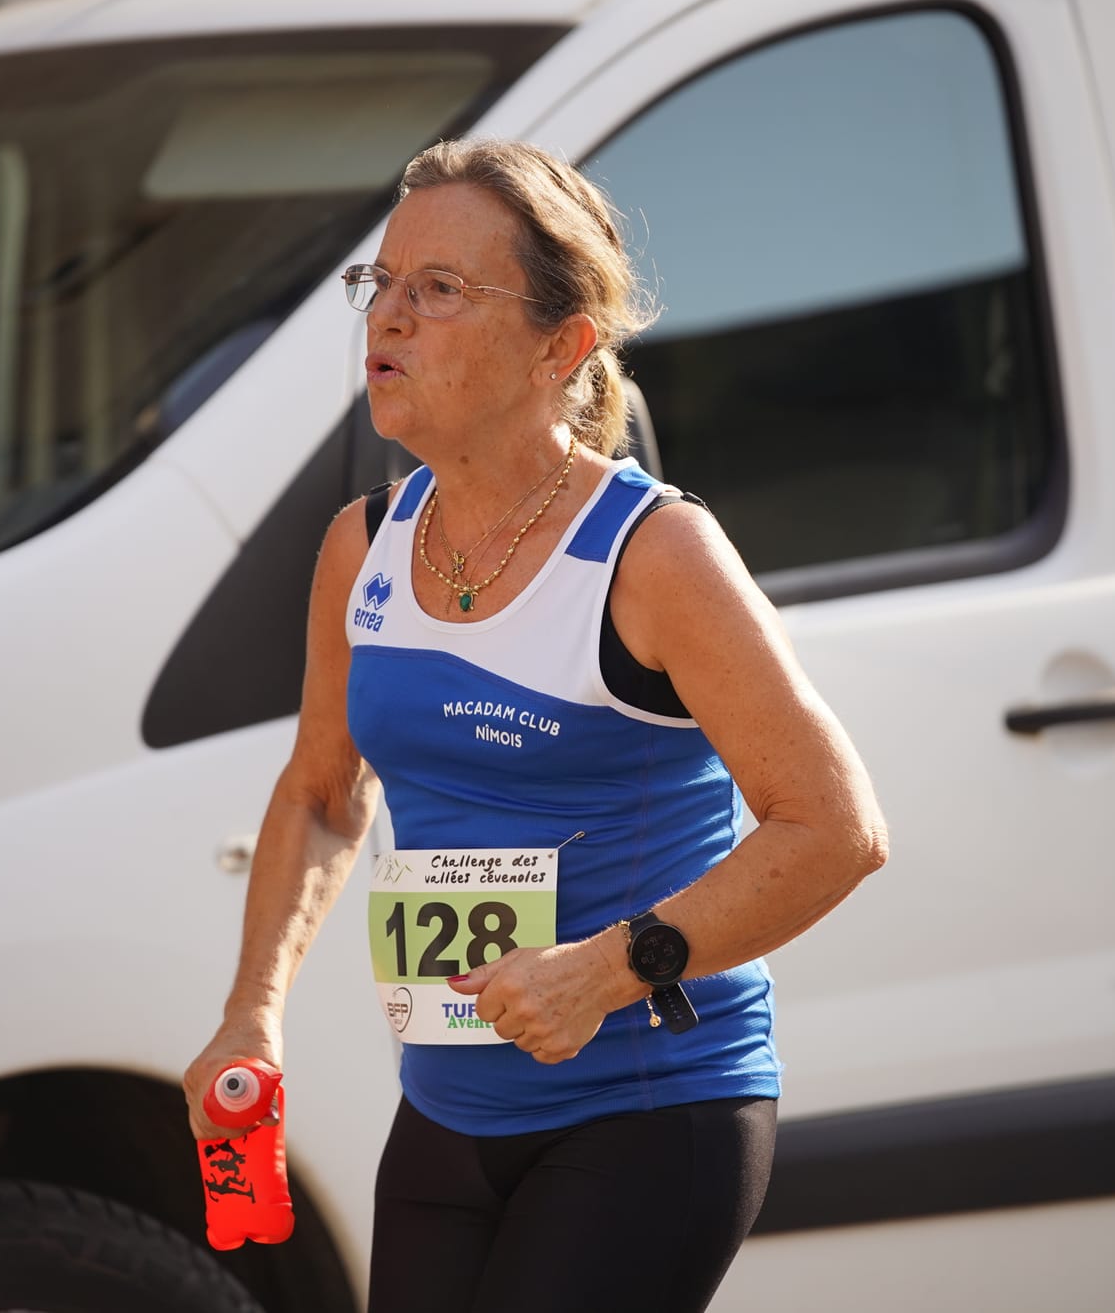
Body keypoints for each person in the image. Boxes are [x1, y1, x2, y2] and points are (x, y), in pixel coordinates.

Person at [182, 137, 889, 1313]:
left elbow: (834, 827)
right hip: (452, 1105)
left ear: (559, 346)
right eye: (383, 284)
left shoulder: (651, 555)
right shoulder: (360, 547)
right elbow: (320, 793)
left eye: (439, 291)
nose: (387, 318)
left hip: (652, 1111)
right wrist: (252, 1010)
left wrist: (609, 969)